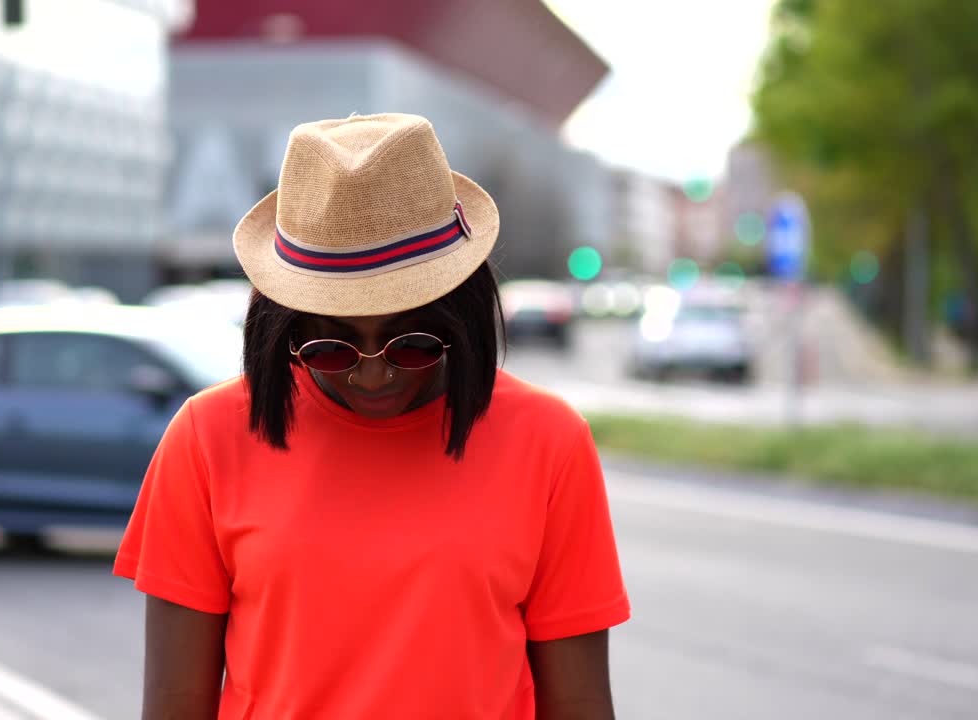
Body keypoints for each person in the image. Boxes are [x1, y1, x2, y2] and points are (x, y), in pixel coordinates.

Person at [114, 113, 630, 719]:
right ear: (282, 329)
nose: (372, 374)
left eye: (412, 343)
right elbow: (174, 706)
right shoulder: (207, 437)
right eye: (329, 348)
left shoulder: (549, 441)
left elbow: (579, 703)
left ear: (461, 317)